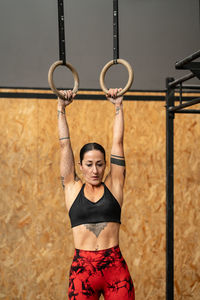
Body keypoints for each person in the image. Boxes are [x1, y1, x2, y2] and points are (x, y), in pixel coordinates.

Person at [57, 88, 135, 300]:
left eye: (100, 164)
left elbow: (118, 142)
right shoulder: (72, 189)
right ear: (80, 166)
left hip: (115, 270)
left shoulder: (114, 185)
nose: (94, 170)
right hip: (83, 272)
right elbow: (65, 146)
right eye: (89, 164)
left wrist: (118, 106)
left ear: (105, 165)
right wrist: (61, 108)